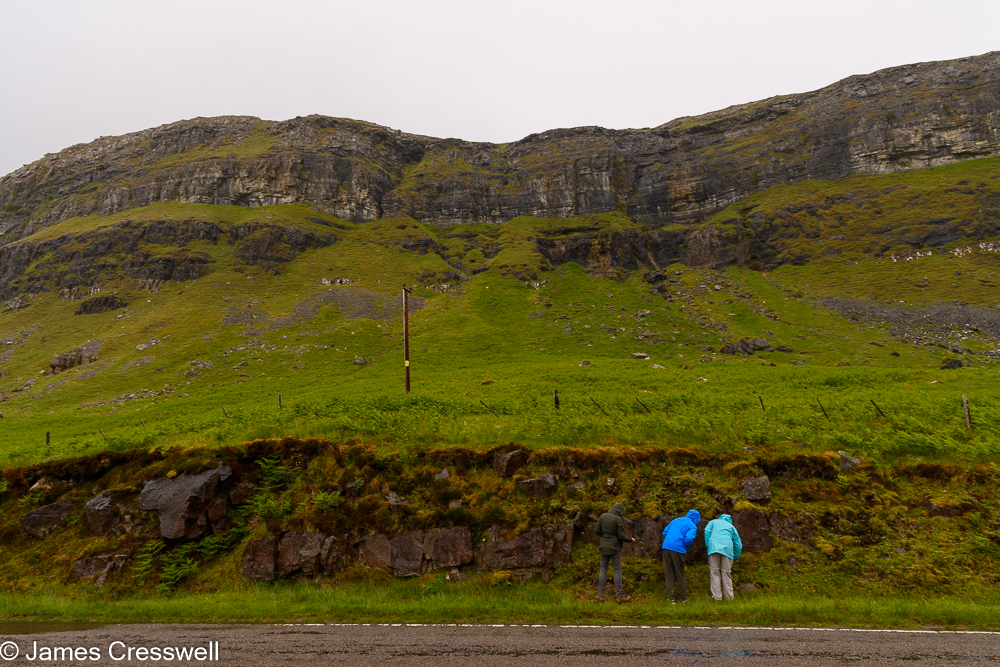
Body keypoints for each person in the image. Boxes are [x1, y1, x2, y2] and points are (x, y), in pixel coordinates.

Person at [594, 502, 636, 601]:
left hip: (603, 547)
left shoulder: (603, 516)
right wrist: (630, 539)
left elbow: (597, 531)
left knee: (603, 570)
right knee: (617, 571)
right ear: (620, 511)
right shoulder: (618, 519)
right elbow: (620, 536)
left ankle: (600, 595)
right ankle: (619, 596)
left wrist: (604, 537)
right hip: (615, 548)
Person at [660, 509, 700, 604]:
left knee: (669, 573)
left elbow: (665, 532)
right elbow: (689, 538)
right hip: (678, 548)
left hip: (666, 547)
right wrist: (685, 546)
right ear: (696, 518)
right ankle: (684, 599)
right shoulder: (692, 526)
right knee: (680, 573)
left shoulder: (676, 520)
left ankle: (671, 599)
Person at [704, 513, 742, 601]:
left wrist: (708, 545)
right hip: (727, 550)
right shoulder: (731, 527)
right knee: (726, 573)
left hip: (713, 547)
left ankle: (717, 597)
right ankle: (729, 598)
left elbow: (707, 532)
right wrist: (735, 557)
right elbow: (738, 544)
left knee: (714, 572)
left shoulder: (713, 522)